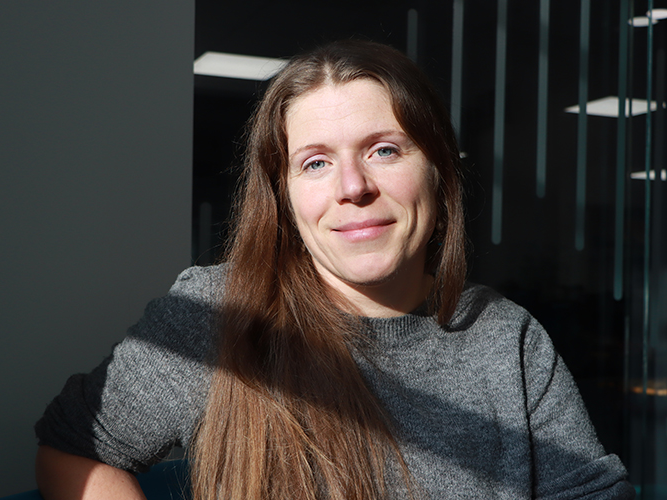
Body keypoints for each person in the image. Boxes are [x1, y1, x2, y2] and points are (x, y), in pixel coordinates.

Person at [34, 39, 635, 500]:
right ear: (285, 195)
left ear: (438, 170)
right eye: (316, 162)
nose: (353, 187)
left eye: (384, 150)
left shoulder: (507, 340)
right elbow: (75, 447)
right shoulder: (219, 315)